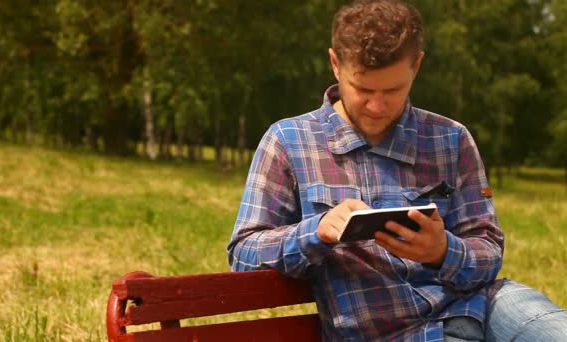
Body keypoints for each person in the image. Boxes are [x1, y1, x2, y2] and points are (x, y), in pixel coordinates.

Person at [227, 0, 567, 340]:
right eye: (362, 89)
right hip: (396, 334)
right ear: (335, 64)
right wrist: (317, 232)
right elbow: (243, 252)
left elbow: (489, 251)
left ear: (416, 66)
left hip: (487, 307)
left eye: (393, 90)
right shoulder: (289, 142)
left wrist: (444, 251)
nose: (377, 105)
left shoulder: (451, 139)